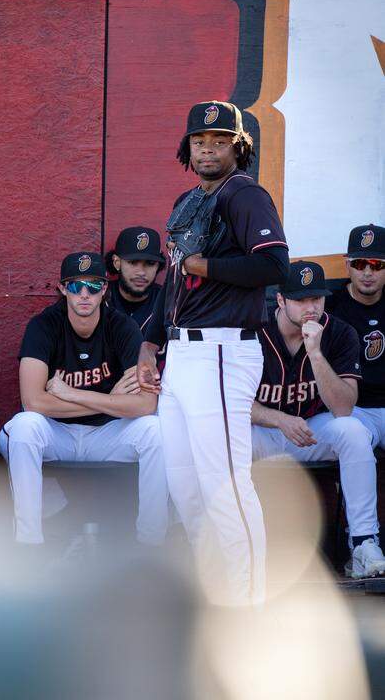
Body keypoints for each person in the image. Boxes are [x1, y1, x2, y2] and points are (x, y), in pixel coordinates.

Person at [138, 100, 290, 606]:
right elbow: (178, 279)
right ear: (188, 147)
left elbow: (275, 267)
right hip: (182, 354)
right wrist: (150, 342)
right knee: (185, 481)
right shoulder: (189, 199)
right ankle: (215, 591)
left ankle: (251, 602)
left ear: (238, 147)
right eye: (201, 141)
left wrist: (207, 264)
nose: (208, 148)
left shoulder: (245, 194)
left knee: (224, 482)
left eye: (220, 141)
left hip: (223, 351)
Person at [0, 251, 167, 547]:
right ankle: (28, 543)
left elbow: (145, 404)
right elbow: (34, 403)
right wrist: (109, 399)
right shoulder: (44, 326)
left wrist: (72, 394)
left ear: (105, 289)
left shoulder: (122, 327)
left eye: (93, 286)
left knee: (157, 432)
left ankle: (151, 544)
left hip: (107, 434)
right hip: (57, 433)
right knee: (22, 427)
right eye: (76, 286)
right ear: (63, 289)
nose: (84, 294)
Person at [251, 261, 384, 578]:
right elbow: (232, 404)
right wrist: (279, 420)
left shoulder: (338, 332)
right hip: (261, 432)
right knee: (222, 436)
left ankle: (364, 542)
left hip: (311, 432)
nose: (311, 307)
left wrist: (316, 353)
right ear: (281, 300)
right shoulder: (253, 331)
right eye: (300, 299)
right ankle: (236, 547)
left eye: (317, 298)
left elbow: (342, 408)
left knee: (353, 431)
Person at [326, 224, 385, 448]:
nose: (367, 272)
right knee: (352, 439)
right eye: (360, 264)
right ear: (347, 265)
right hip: (354, 410)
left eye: (377, 265)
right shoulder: (330, 309)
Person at [105, 226, 164, 332]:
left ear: (158, 266)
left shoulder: (169, 301)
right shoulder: (99, 299)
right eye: (133, 262)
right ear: (116, 263)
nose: (141, 272)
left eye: (150, 263)